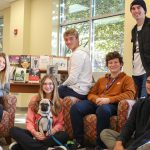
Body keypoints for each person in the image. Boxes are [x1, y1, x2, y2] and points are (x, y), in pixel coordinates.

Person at [70, 51, 136, 150]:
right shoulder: (101, 80)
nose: (113, 65)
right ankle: (79, 141)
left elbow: (130, 94)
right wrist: (96, 99)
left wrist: (109, 100)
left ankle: (100, 145)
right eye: (110, 63)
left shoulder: (127, 79)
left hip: (112, 104)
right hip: (97, 102)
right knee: (75, 108)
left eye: (115, 62)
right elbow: (91, 93)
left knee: (103, 110)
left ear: (121, 64)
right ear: (107, 65)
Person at [9, 75, 68, 150]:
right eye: (45, 84)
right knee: (13, 130)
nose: (47, 86)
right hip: (35, 133)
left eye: (50, 84)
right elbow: (29, 121)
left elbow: (60, 123)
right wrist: (35, 133)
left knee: (64, 135)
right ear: (41, 86)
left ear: (54, 85)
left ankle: (24, 145)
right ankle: (46, 148)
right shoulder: (35, 99)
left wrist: (52, 131)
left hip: (50, 135)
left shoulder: (59, 102)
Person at [100, 74, 150, 150]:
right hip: (135, 140)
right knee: (105, 133)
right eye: (148, 82)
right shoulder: (139, 103)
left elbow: (147, 136)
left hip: (145, 143)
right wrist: (119, 142)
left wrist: (131, 147)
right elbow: (129, 125)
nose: (149, 85)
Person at [58, 28, 92, 100]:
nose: (68, 42)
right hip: (83, 89)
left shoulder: (77, 54)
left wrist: (61, 85)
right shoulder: (82, 52)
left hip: (79, 91)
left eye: (71, 39)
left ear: (77, 39)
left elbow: (72, 79)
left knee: (54, 89)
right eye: (66, 40)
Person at [130, 0, 150, 99]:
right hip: (135, 72)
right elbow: (135, 51)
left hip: (147, 71)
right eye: (133, 8)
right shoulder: (133, 30)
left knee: (143, 102)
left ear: (144, 10)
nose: (136, 10)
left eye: (139, 7)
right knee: (135, 102)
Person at [0, 52, 10, 150]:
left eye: (4, 62)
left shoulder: (5, 76)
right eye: (0, 61)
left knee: (0, 108)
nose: (2, 64)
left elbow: (6, 91)